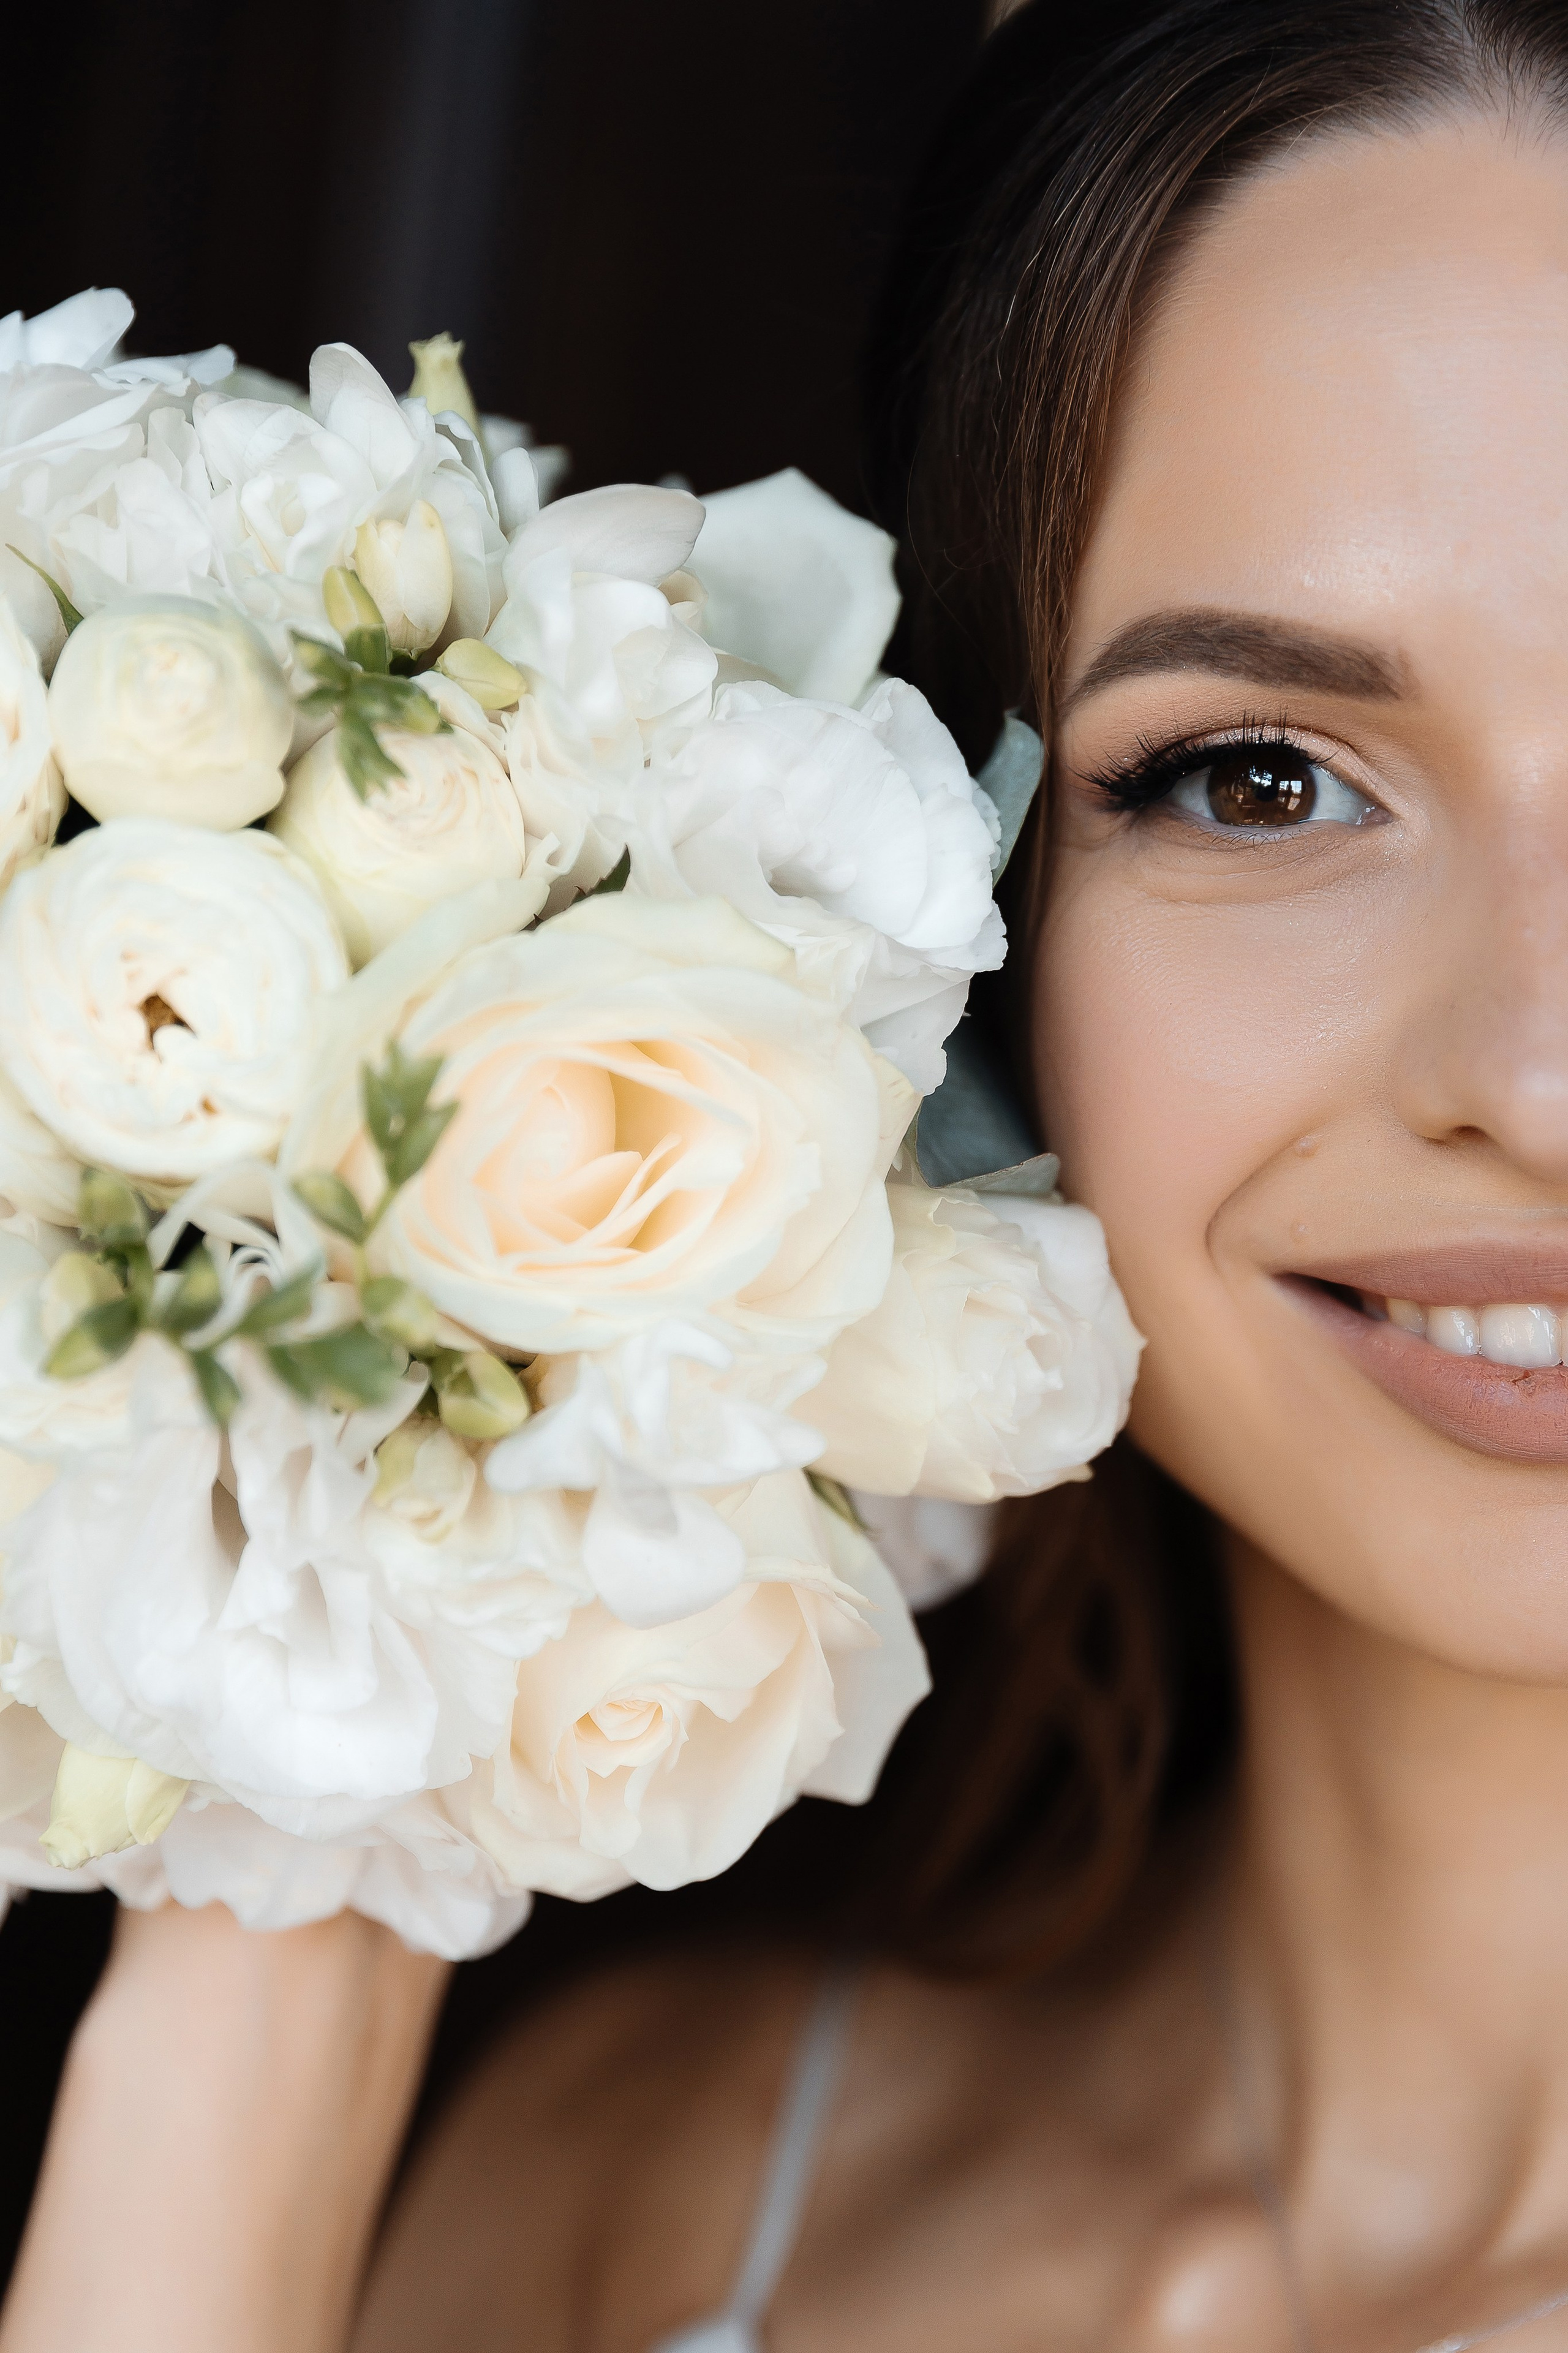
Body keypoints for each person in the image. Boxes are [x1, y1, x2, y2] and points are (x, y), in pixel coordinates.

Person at [12, 0, 1568, 2344]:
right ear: (965, 910)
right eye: (1262, 779)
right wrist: (290, 1851)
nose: (1537, 1079)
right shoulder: (648, 2169)